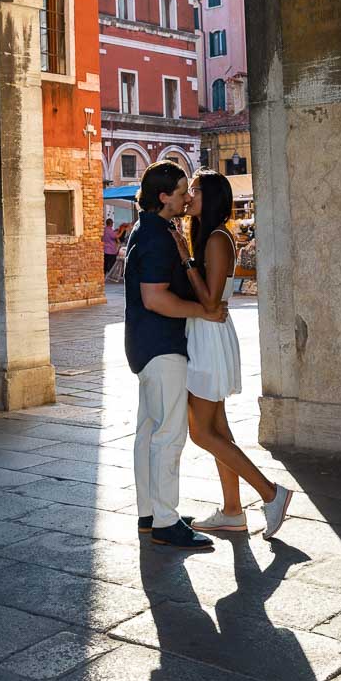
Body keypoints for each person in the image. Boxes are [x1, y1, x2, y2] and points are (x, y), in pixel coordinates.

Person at [169, 169, 292, 540]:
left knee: (202, 433)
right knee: (219, 429)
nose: (188, 196)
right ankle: (232, 511)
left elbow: (209, 300)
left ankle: (272, 493)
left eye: (194, 190)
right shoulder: (209, 237)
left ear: (212, 197)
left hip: (209, 338)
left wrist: (185, 258)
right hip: (205, 334)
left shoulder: (218, 240)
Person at [125, 160, 228, 551]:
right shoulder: (154, 235)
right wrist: (203, 311)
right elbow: (155, 297)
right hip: (161, 346)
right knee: (168, 434)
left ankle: (151, 512)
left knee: (149, 431)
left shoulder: (152, 228)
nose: (188, 197)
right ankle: (166, 521)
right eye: (183, 191)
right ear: (163, 197)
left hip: (148, 344)